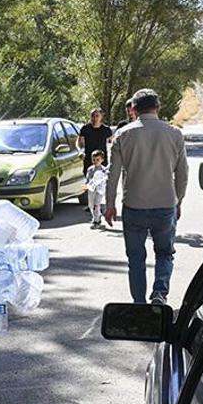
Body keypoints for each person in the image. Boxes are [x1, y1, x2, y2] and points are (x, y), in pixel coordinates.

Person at [104, 89, 188, 305]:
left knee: (136, 259)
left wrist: (110, 204)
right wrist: (178, 200)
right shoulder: (174, 134)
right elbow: (182, 173)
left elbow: (113, 174)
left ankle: (139, 303)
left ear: (133, 109)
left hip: (134, 206)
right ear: (158, 108)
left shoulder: (123, 135)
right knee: (164, 253)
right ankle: (159, 293)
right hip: (165, 204)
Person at [79, 108, 113, 175]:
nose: (95, 118)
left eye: (97, 116)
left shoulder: (106, 130)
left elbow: (112, 142)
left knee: (102, 182)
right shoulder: (85, 129)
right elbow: (79, 142)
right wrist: (81, 151)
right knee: (89, 182)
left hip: (102, 161)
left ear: (101, 117)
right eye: (93, 116)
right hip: (89, 160)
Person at [85, 150, 109, 229]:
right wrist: (87, 185)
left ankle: (96, 221)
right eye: (94, 159)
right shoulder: (90, 169)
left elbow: (106, 179)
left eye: (97, 160)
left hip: (99, 191)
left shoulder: (104, 170)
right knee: (91, 205)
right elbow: (88, 179)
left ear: (102, 160)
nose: (95, 161)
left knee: (96, 204)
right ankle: (97, 215)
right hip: (91, 190)